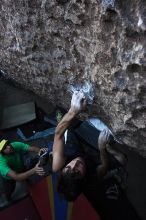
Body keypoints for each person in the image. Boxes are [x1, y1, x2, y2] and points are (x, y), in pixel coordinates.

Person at [52, 91, 141, 220]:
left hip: (73, 145)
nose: (75, 164)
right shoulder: (91, 179)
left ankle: (65, 119)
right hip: (90, 156)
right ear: (83, 178)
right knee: (122, 160)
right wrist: (102, 147)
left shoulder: (58, 165)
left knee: (64, 128)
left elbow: (58, 134)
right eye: (77, 172)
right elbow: (104, 165)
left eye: (69, 167)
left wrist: (73, 110)